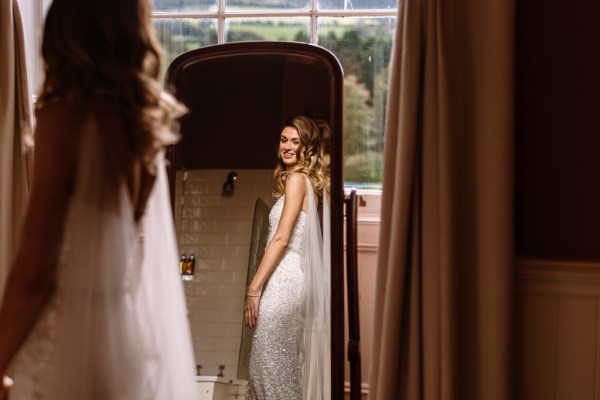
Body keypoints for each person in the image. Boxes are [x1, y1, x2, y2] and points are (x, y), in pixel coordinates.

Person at [0, 0, 197, 399]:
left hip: (66, 335)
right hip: (123, 338)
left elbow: (34, 270)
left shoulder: (64, 117)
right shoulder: (142, 127)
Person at [244, 116, 331, 400]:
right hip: (292, 279)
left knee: (269, 362)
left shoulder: (297, 179)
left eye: (296, 141)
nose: (287, 146)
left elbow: (281, 239)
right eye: (284, 140)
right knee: (275, 362)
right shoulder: (307, 184)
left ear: (307, 147)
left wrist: (254, 289)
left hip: (285, 279)